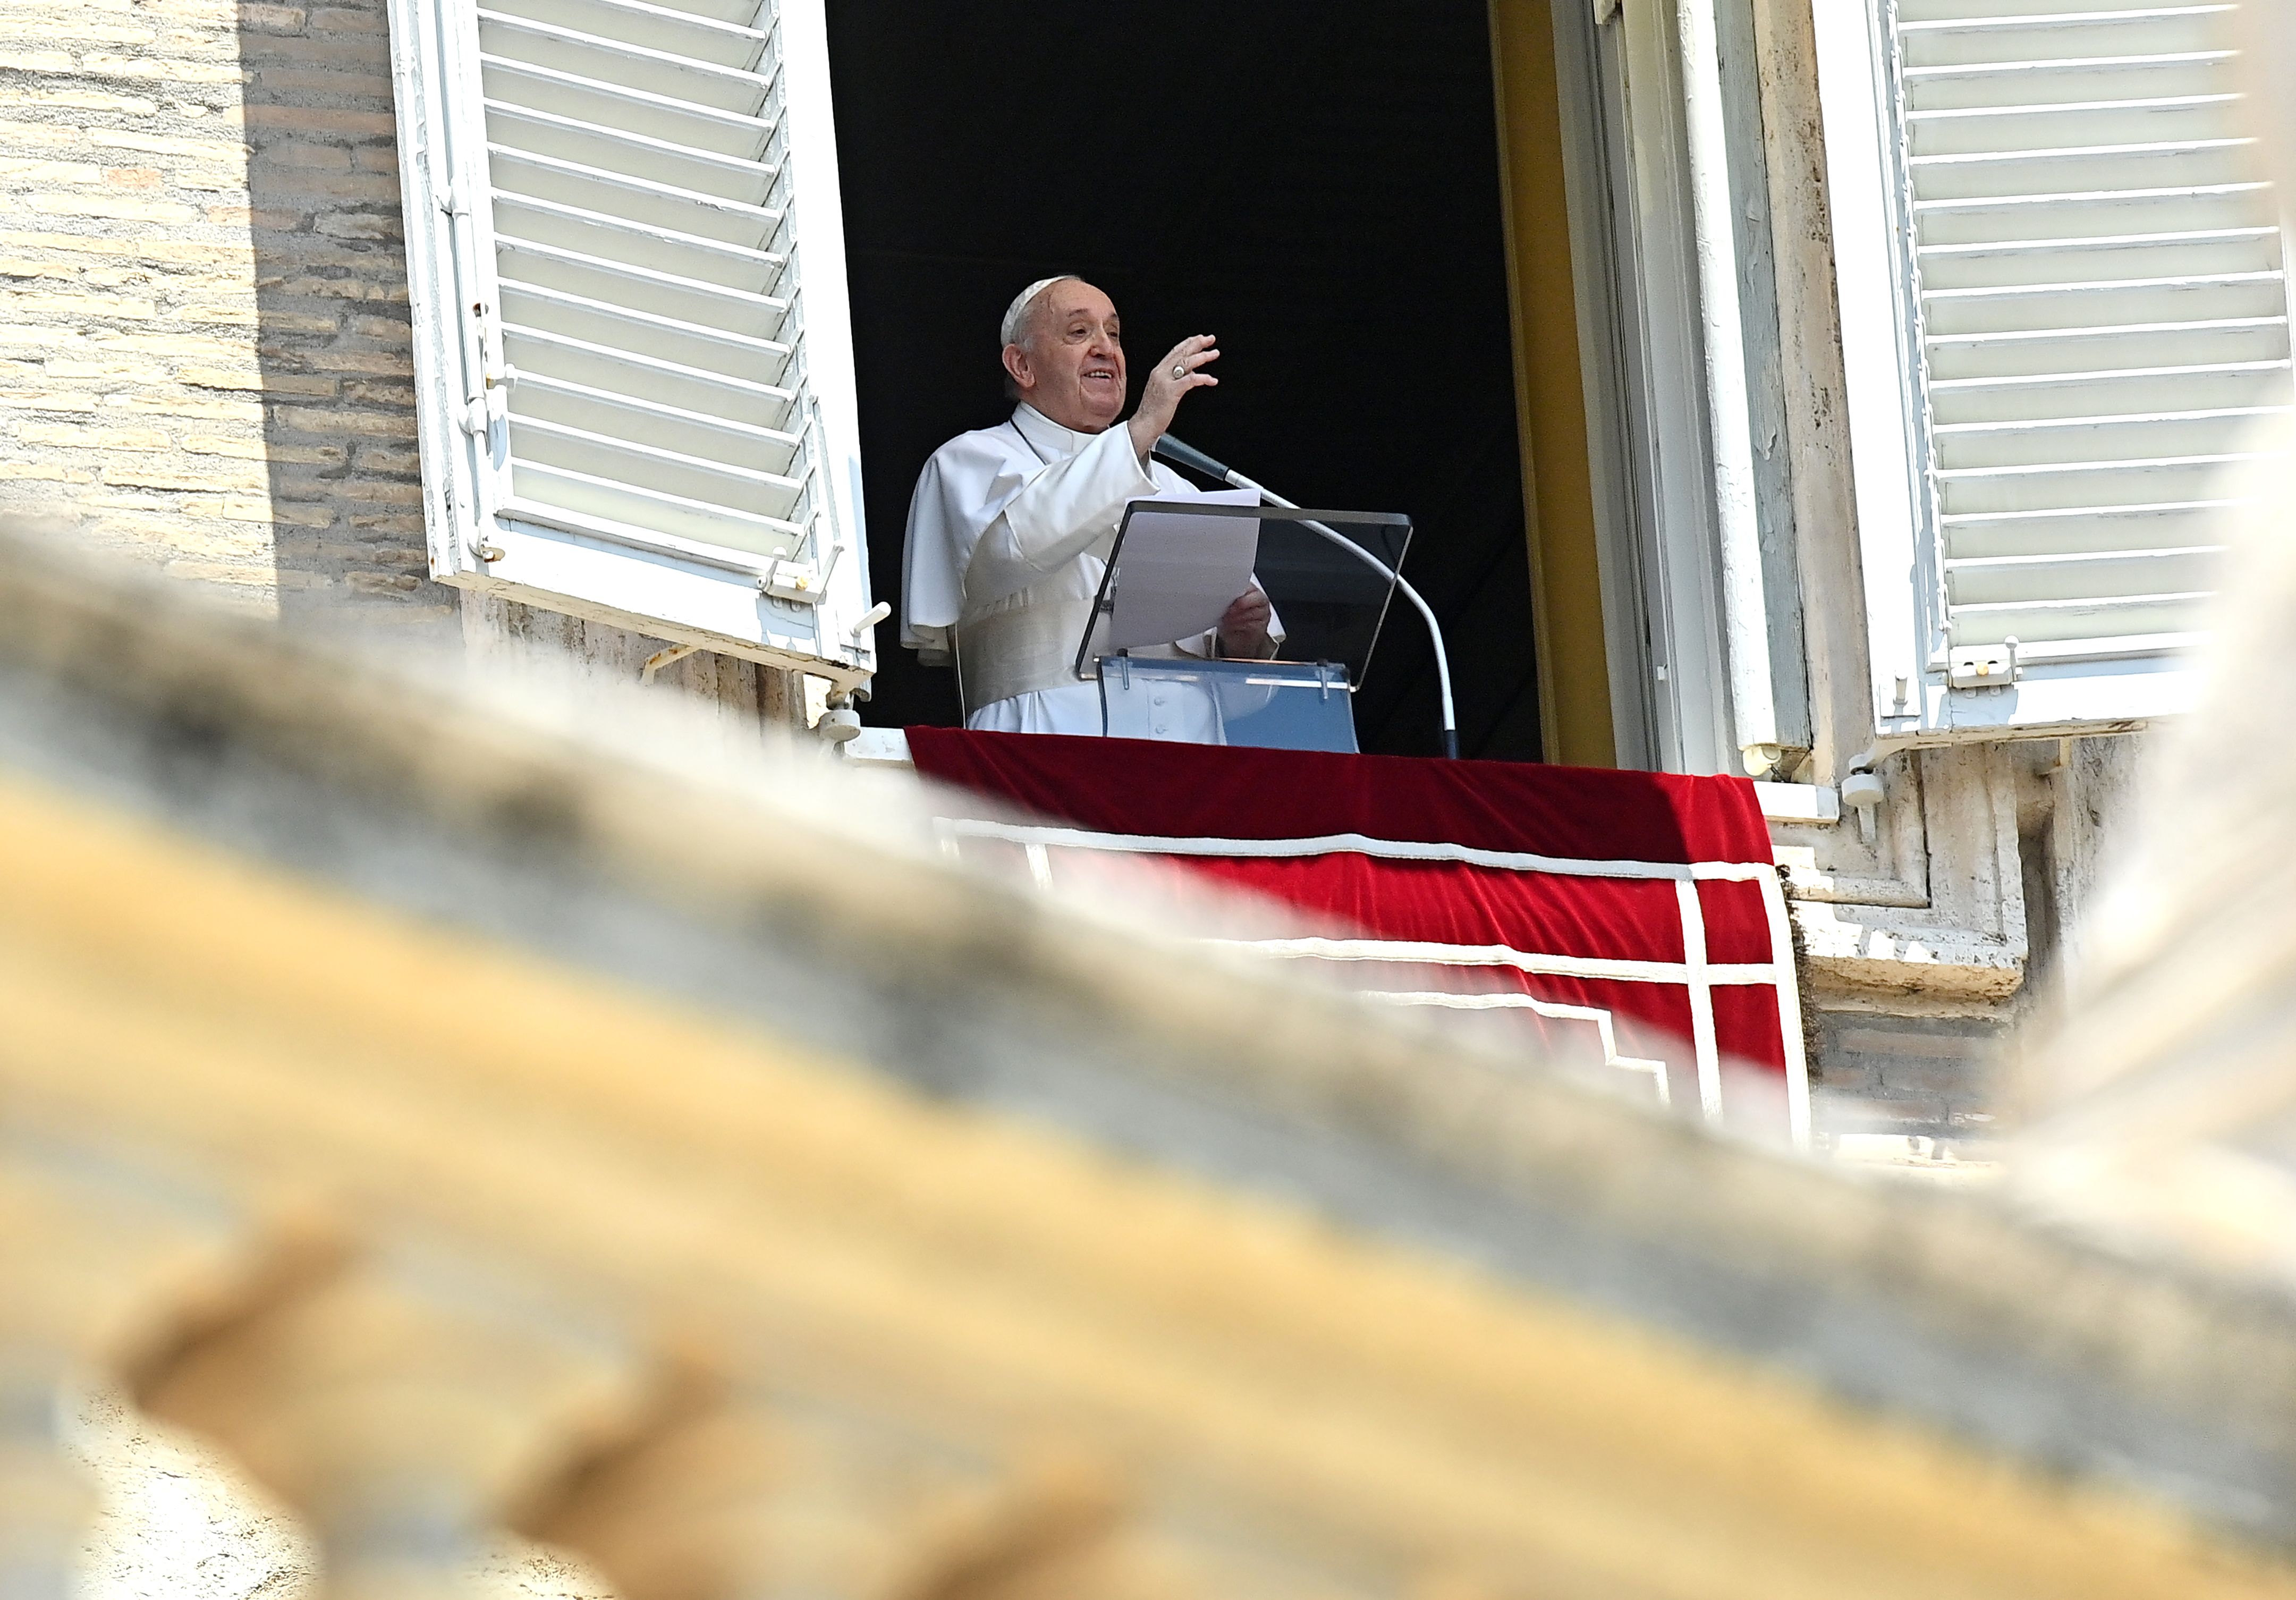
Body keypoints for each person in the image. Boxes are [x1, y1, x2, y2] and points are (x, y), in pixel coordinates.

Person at [900, 275, 1277, 735]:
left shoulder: (1179, 489)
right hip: (1043, 743)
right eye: (1079, 333)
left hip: (1188, 759)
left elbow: (1246, 695)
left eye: (1113, 334)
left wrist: (1243, 640)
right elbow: (1015, 546)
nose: (1105, 348)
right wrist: (1140, 430)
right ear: (1021, 364)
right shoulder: (970, 461)